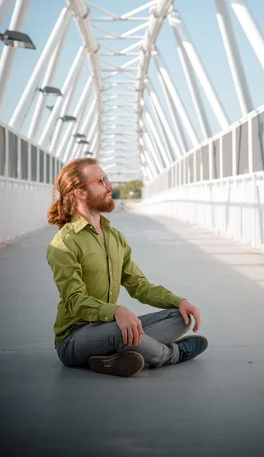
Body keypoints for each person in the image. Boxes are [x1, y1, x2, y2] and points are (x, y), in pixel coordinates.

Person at [47, 157, 208, 377]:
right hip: (73, 338)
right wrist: (116, 310)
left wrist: (178, 301)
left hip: (108, 327)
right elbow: (74, 300)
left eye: (107, 179)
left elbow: (138, 285)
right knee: (120, 331)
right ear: (80, 193)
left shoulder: (114, 237)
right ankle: (173, 354)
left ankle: (110, 358)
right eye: (101, 180)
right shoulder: (64, 243)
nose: (110, 185)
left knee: (181, 318)